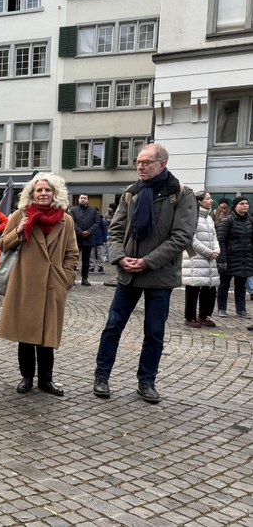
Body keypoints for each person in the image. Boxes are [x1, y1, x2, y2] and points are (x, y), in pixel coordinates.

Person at [93, 143, 195, 404]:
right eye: (138, 162)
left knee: (154, 332)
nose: (140, 166)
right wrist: (119, 257)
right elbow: (115, 232)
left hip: (159, 276)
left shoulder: (181, 194)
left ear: (162, 164)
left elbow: (181, 237)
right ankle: (101, 377)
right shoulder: (131, 193)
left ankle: (146, 382)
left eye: (146, 162)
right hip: (128, 274)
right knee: (113, 327)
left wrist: (148, 261)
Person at [0, 173, 78, 396]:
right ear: (31, 194)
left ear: (55, 193)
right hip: (25, 283)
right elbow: (2, 245)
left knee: (47, 337)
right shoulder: (20, 215)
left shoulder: (66, 220)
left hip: (53, 285)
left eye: (47, 190)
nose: (43, 194)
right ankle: (26, 378)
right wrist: (20, 230)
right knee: (26, 334)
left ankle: (46, 380)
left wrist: (66, 279)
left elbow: (72, 253)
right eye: (38, 190)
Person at [183, 191, 220, 328]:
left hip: (210, 258)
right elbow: (191, 239)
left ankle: (204, 316)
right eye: (208, 198)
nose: (211, 201)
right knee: (193, 287)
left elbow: (214, 237)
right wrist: (208, 252)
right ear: (199, 201)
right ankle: (190, 317)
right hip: (196, 257)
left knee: (210, 287)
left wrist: (216, 251)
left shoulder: (209, 218)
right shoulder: (191, 216)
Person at [215, 196, 253, 318]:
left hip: (245, 258)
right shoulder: (227, 221)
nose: (245, 205)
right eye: (242, 203)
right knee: (224, 284)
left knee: (241, 286)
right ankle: (222, 308)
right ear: (235, 206)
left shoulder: (250, 221)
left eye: (246, 203)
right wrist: (222, 260)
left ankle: (241, 309)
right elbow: (220, 241)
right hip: (229, 258)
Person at [71, 194, 100, 286]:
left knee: (86, 260)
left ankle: (85, 279)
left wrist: (89, 231)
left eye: (85, 198)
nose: (83, 199)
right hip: (76, 238)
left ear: (88, 200)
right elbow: (72, 222)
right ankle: (72, 278)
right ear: (78, 199)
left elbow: (97, 222)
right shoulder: (73, 210)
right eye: (81, 198)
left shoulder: (93, 210)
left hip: (88, 238)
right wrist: (80, 232)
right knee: (73, 259)